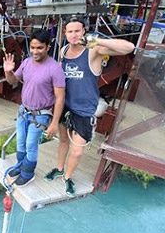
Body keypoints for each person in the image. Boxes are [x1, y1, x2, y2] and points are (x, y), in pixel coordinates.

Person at [44, 15, 135, 197]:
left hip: (84, 109)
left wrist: (98, 40)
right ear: (65, 33)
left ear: (84, 31)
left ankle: (68, 178)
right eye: (70, 31)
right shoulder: (63, 51)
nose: (74, 35)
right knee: (63, 140)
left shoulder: (93, 50)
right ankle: (60, 169)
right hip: (65, 106)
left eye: (77, 30)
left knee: (77, 151)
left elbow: (129, 48)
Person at [3, 29, 66, 187]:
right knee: (21, 143)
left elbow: (60, 98)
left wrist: (54, 123)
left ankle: (27, 173)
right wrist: (8, 71)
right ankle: (20, 166)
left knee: (31, 145)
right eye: (32, 47)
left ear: (48, 47)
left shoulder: (54, 68)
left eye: (39, 48)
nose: (35, 51)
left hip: (41, 115)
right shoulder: (26, 63)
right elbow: (13, 81)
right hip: (24, 111)